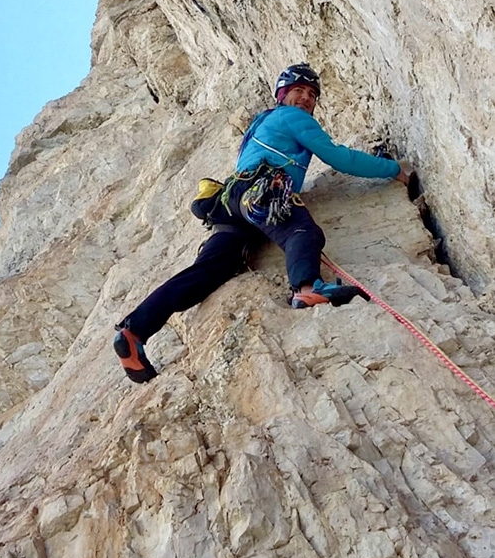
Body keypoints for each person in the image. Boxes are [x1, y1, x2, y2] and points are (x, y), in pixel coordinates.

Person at [114, 64, 414, 383]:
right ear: (282, 96)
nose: (305, 99)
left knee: (208, 271)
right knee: (301, 230)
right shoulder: (292, 117)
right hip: (261, 190)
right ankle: (308, 289)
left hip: (232, 202)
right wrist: (393, 169)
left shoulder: (260, 125)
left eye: (312, 95)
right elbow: (338, 157)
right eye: (298, 91)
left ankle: (134, 332)